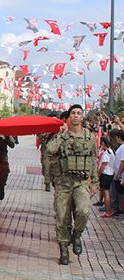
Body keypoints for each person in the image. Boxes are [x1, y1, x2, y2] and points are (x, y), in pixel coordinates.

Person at [46, 104, 98, 265]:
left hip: (81, 182)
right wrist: (61, 135)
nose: (76, 115)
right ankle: (64, 249)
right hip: (63, 183)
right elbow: (49, 150)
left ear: (82, 117)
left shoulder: (89, 137)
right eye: (73, 113)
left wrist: (95, 182)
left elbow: (93, 159)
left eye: (79, 113)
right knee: (62, 217)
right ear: (68, 118)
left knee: (83, 210)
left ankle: (77, 234)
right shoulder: (62, 135)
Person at [97, 136, 115, 217]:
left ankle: (108, 212)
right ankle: (109, 210)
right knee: (107, 192)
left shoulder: (107, 153)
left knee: (106, 192)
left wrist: (98, 175)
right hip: (110, 174)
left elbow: (103, 166)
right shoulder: (111, 151)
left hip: (106, 174)